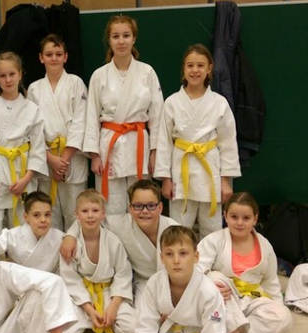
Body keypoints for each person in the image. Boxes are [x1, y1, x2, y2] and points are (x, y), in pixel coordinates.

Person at [117, 225, 237, 333]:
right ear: (162, 258)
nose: (176, 260)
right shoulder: (155, 283)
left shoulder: (209, 292)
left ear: (196, 257)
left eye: (183, 253)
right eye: (169, 254)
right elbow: (146, 327)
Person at [196, 192, 293, 333]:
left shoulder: (265, 245)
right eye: (234, 217)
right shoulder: (214, 240)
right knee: (215, 277)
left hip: (252, 299)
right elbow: (195, 271)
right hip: (223, 300)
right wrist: (210, 286)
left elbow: (271, 282)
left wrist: (276, 306)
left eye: (246, 218)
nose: (239, 223)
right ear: (225, 216)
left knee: (283, 316)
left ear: (255, 219)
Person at [155, 44, 241, 239]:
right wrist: (165, 179)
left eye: (200, 65)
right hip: (181, 170)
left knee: (212, 229)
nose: (195, 70)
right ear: (184, 69)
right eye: (190, 65)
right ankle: (179, 258)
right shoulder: (172, 102)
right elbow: (164, 143)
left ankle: (210, 260)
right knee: (179, 227)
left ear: (209, 69)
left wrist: (226, 181)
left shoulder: (219, 102)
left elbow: (228, 143)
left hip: (210, 170)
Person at [84, 15, 164, 215]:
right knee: (111, 206)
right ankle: (113, 237)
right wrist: (94, 155)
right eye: (116, 36)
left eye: (126, 35)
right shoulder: (99, 75)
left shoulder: (147, 72)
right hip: (109, 145)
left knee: (141, 203)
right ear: (109, 40)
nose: (121, 41)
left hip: (139, 144)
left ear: (134, 38)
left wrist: (155, 152)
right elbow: (91, 116)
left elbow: (157, 116)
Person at [60, 179, 179, 302]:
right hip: (144, 283)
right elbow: (91, 219)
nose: (145, 211)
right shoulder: (122, 225)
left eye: (151, 206)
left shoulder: (173, 228)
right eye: (138, 206)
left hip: (173, 280)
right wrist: (71, 235)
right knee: (142, 313)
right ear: (130, 208)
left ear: (160, 207)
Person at [0, 52, 48, 238]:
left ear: (20, 74)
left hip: (22, 172)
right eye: (2, 75)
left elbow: (38, 147)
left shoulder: (32, 109)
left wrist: (27, 178)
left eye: (12, 74)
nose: (8, 80)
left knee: (23, 231)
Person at [27, 34, 88, 231]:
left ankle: (75, 250)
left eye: (58, 54)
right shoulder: (34, 89)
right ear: (41, 57)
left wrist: (64, 159)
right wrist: (50, 159)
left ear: (66, 57)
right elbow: (32, 129)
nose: (54, 58)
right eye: (49, 54)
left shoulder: (76, 83)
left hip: (72, 158)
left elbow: (81, 122)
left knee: (75, 213)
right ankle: (51, 252)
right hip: (46, 160)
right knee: (48, 214)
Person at [60, 189, 135, 333]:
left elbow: (123, 274)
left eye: (95, 211)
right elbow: (70, 279)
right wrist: (89, 309)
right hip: (82, 297)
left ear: (103, 214)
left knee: (135, 332)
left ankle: (106, 318)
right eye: (84, 211)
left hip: (109, 293)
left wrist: (113, 307)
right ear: (76, 214)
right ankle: (93, 318)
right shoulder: (70, 245)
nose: (90, 216)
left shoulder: (113, 241)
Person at [0, 191, 65, 273]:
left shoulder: (59, 238)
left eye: (47, 215)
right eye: (36, 215)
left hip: (49, 280)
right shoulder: (14, 236)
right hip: (18, 280)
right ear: (26, 217)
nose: (43, 220)